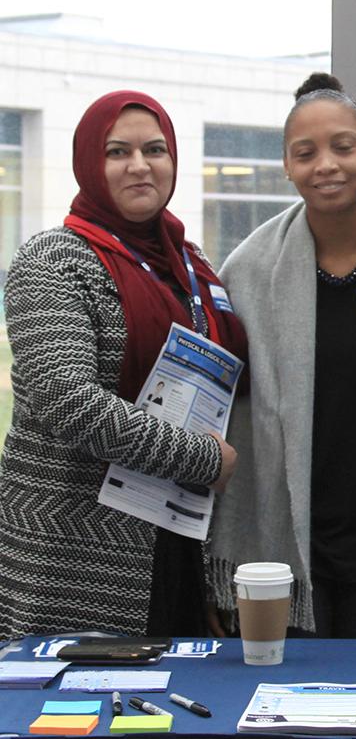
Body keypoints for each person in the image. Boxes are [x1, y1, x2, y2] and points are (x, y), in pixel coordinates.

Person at [207, 74, 356, 638]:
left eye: (343, 146)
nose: (327, 165)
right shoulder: (245, 272)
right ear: (287, 166)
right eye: (306, 152)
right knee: (291, 714)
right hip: (286, 535)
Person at [0, 91, 245, 637]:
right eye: (118, 152)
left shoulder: (192, 265)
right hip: (74, 553)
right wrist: (202, 458)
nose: (140, 165)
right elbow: (71, 404)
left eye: (155, 149)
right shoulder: (53, 261)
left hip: (179, 542)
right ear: (90, 162)